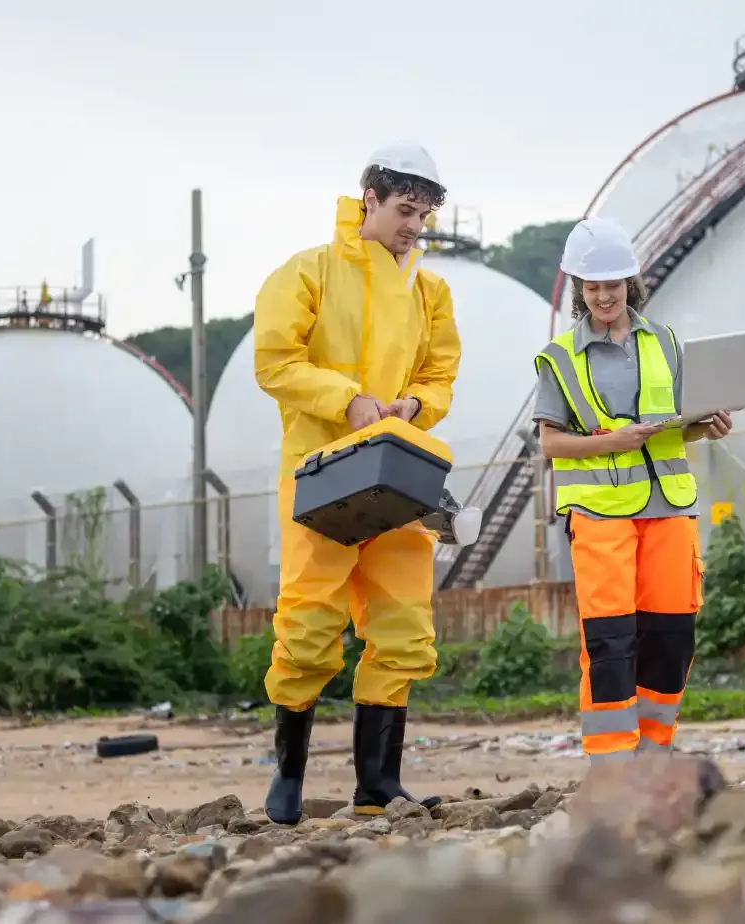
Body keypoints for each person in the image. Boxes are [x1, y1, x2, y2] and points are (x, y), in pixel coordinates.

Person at [254, 142, 462, 824]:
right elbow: (274, 362)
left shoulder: (431, 292)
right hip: (321, 475)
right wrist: (346, 400)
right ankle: (288, 778)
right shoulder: (307, 272)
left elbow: (439, 375)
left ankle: (378, 785)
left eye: (424, 216)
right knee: (309, 624)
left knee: (404, 626)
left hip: (397, 476)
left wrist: (414, 406)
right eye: (405, 211)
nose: (414, 227)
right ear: (369, 199)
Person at [531, 217, 733, 765]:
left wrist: (706, 426)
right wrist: (613, 441)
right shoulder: (560, 357)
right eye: (592, 287)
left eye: (613, 285)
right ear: (579, 288)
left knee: (672, 636)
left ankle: (653, 754)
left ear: (630, 283)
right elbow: (550, 443)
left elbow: (675, 426)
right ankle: (613, 763)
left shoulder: (664, 342)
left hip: (668, 504)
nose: (603, 296)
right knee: (610, 640)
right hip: (599, 512)